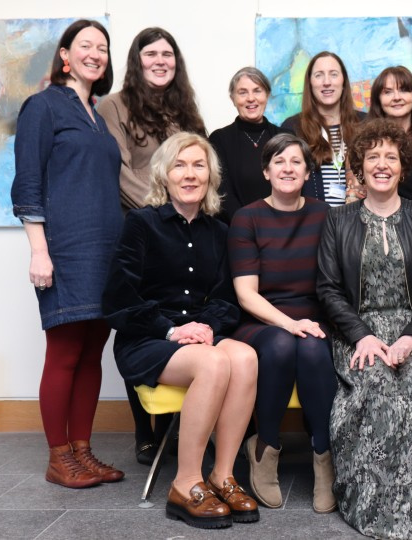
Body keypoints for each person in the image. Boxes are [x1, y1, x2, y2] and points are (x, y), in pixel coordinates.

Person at [317, 119, 412, 539]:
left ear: (403, 167)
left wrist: (409, 337)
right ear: (359, 168)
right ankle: (374, 509)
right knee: (379, 388)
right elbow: (328, 291)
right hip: (358, 333)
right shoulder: (338, 220)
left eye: (391, 157)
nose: (382, 164)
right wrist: (363, 335)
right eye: (372, 156)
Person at [102, 132, 259, 528]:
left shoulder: (220, 231)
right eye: (180, 165)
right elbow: (120, 299)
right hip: (148, 339)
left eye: (198, 165)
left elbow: (226, 297)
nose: (190, 174)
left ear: (210, 176)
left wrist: (206, 325)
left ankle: (222, 475)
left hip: (200, 336)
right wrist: (172, 330)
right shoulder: (141, 224)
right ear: (164, 174)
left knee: (244, 356)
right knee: (212, 364)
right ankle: (185, 482)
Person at [10, 19, 124, 490]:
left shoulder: (96, 113)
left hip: (106, 250)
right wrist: (39, 251)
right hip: (66, 249)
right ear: (65, 55)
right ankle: (59, 458)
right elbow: (28, 183)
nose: (95, 53)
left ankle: (82, 451)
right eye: (85, 46)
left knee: (94, 350)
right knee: (64, 350)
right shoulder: (43, 106)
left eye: (102, 46)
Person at [97, 27, 206, 465]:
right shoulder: (114, 105)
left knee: (180, 312)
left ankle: (176, 428)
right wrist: (165, 208)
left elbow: (197, 165)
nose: (160, 61)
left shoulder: (185, 108)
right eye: (151, 54)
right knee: (140, 316)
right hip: (140, 226)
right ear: (136, 60)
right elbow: (119, 170)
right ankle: (144, 431)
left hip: (182, 230)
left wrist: (186, 213)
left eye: (168, 54)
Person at [227, 133, 337, 513]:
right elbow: (246, 295)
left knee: (310, 346)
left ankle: (323, 455)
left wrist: (304, 325)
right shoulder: (247, 218)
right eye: (279, 161)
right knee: (281, 343)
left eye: (295, 162)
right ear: (266, 170)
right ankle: (265, 446)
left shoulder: (325, 215)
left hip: (313, 319)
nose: (287, 168)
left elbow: (336, 282)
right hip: (261, 318)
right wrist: (289, 324)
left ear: (308, 172)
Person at [282, 51, 366, 205]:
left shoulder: (366, 124)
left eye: (333, 74)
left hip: (359, 223)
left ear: (343, 81)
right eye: (319, 75)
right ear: (310, 83)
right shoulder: (293, 128)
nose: (326, 82)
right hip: (313, 224)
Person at [209, 67, 288, 223]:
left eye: (257, 91)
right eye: (243, 92)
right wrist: (247, 226)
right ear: (233, 98)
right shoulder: (219, 139)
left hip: (281, 229)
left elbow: (293, 186)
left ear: (267, 94)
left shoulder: (285, 137)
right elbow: (222, 192)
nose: (251, 98)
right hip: (237, 229)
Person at [368, 65, 412, 202]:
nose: (396, 97)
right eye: (387, 92)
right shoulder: (367, 144)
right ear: (378, 101)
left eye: (404, 90)